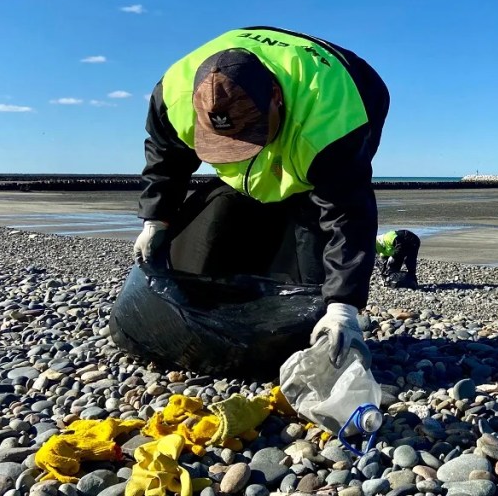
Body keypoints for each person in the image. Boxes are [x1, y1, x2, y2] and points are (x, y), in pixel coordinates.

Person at [131, 25, 389, 367]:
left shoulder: (335, 121)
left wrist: (343, 306)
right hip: (254, 73)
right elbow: (166, 158)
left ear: (276, 98)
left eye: (250, 135)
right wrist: (156, 219)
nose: (241, 150)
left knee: (312, 291)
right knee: (194, 261)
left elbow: (347, 214)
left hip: (353, 83)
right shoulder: (173, 95)